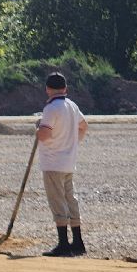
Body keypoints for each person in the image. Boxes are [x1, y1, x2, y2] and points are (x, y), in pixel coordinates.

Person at [35, 71, 88, 256]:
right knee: (70, 200)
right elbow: (84, 126)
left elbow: (44, 135)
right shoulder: (72, 105)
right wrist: (72, 142)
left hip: (53, 161)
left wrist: (38, 129)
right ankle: (78, 241)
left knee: (58, 201)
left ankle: (64, 244)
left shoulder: (51, 108)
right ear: (65, 88)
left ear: (48, 89)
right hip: (68, 161)